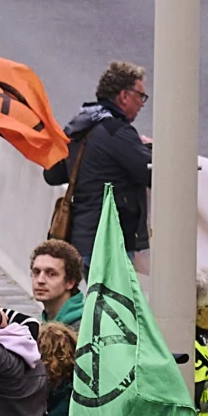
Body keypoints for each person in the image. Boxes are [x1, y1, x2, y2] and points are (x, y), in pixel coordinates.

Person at [48, 60, 152, 263]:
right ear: (124, 95)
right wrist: (151, 149)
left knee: (98, 295)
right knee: (113, 295)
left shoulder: (79, 126)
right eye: (141, 96)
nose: (142, 104)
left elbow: (53, 174)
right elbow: (150, 172)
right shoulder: (116, 131)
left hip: (81, 239)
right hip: (109, 242)